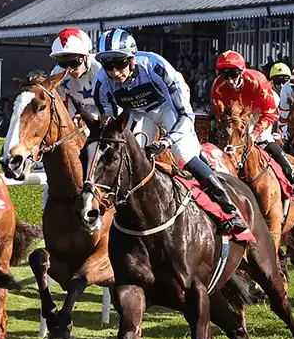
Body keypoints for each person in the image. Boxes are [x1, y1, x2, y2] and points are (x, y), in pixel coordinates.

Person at [91, 29, 248, 234]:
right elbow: (112, 130)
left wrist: (166, 141)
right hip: (139, 114)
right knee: (126, 158)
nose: (114, 72)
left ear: (132, 60)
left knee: (181, 154)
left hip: (169, 108)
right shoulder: (102, 85)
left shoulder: (156, 67)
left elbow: (185, 115)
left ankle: (229, 208)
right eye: (108, 65)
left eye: (119, 64)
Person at [212, 51, 294, 193]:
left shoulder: (258, 81)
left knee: (263, 139)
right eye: (225, 76)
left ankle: (292, 175)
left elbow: (269, 113)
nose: (230, 80)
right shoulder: (217, 88)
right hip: (237, 113)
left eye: (234, 74)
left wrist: (255, 134)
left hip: (260, 109)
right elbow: (221, 117)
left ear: (241, 72)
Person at [48, 27, 102, 121]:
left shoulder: (100, 68)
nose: (70, 70)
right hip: (81, 108)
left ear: (86, 57)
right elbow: (59, 105)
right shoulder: (57, 73)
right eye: (63, 64)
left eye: (74, 63)